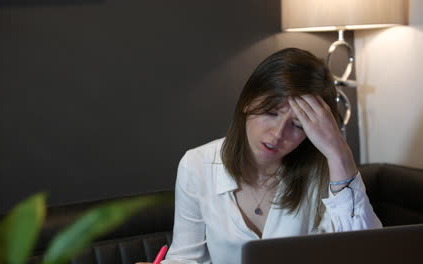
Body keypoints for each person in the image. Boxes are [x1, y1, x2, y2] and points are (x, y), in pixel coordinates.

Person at [136, 48, 382, 264]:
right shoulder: (197, 164)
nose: (277, 134)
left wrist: (338, 152)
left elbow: (367, 252)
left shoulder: (325, 170)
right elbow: (185, 257)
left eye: (297, 125)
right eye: (271, 113)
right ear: (247, 102)